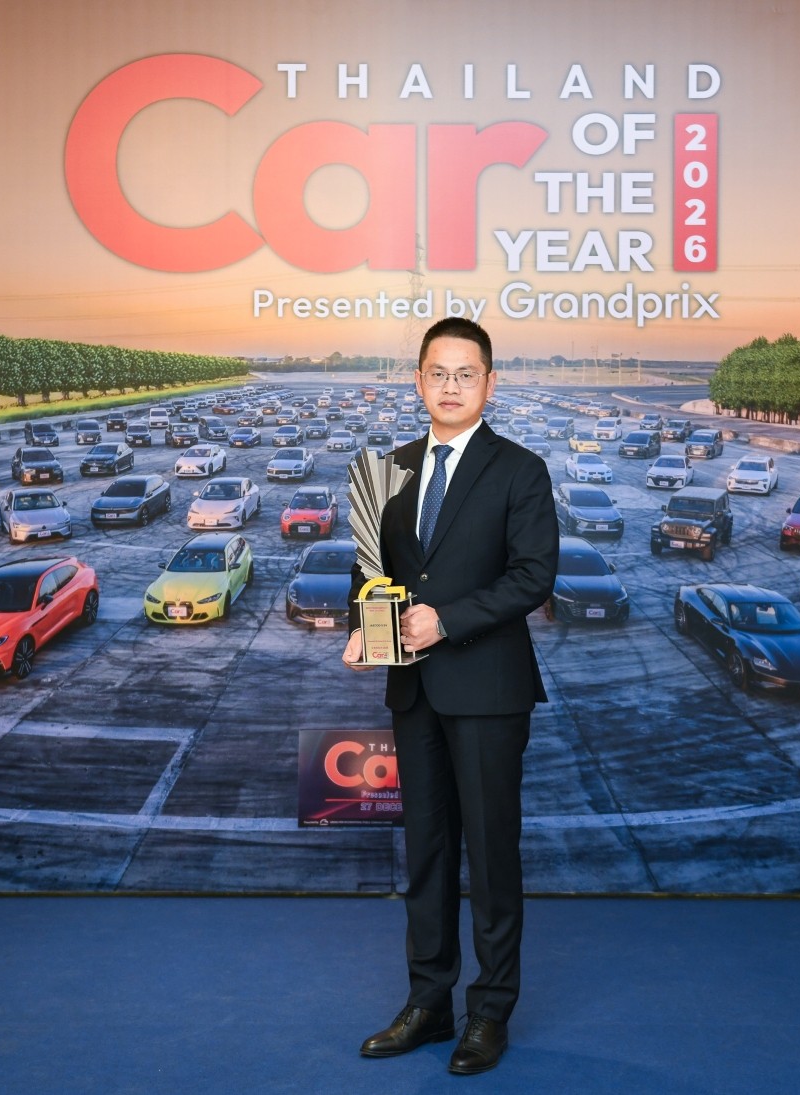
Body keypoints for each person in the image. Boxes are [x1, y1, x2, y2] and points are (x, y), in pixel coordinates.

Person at [343, 317, 557, 1075]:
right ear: (418, 380)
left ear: (489, 383)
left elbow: (533, 575)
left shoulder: (520, 469)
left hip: (489, 689)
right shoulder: (387, 469)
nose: (451, 386)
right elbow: (369, 569)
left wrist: (447, 620)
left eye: (466, 374)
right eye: (438, 372)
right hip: (413, 690)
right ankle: (428, 1002)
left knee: (491, 855)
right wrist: (361, 629)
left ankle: (489, 1010)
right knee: (426, 853)